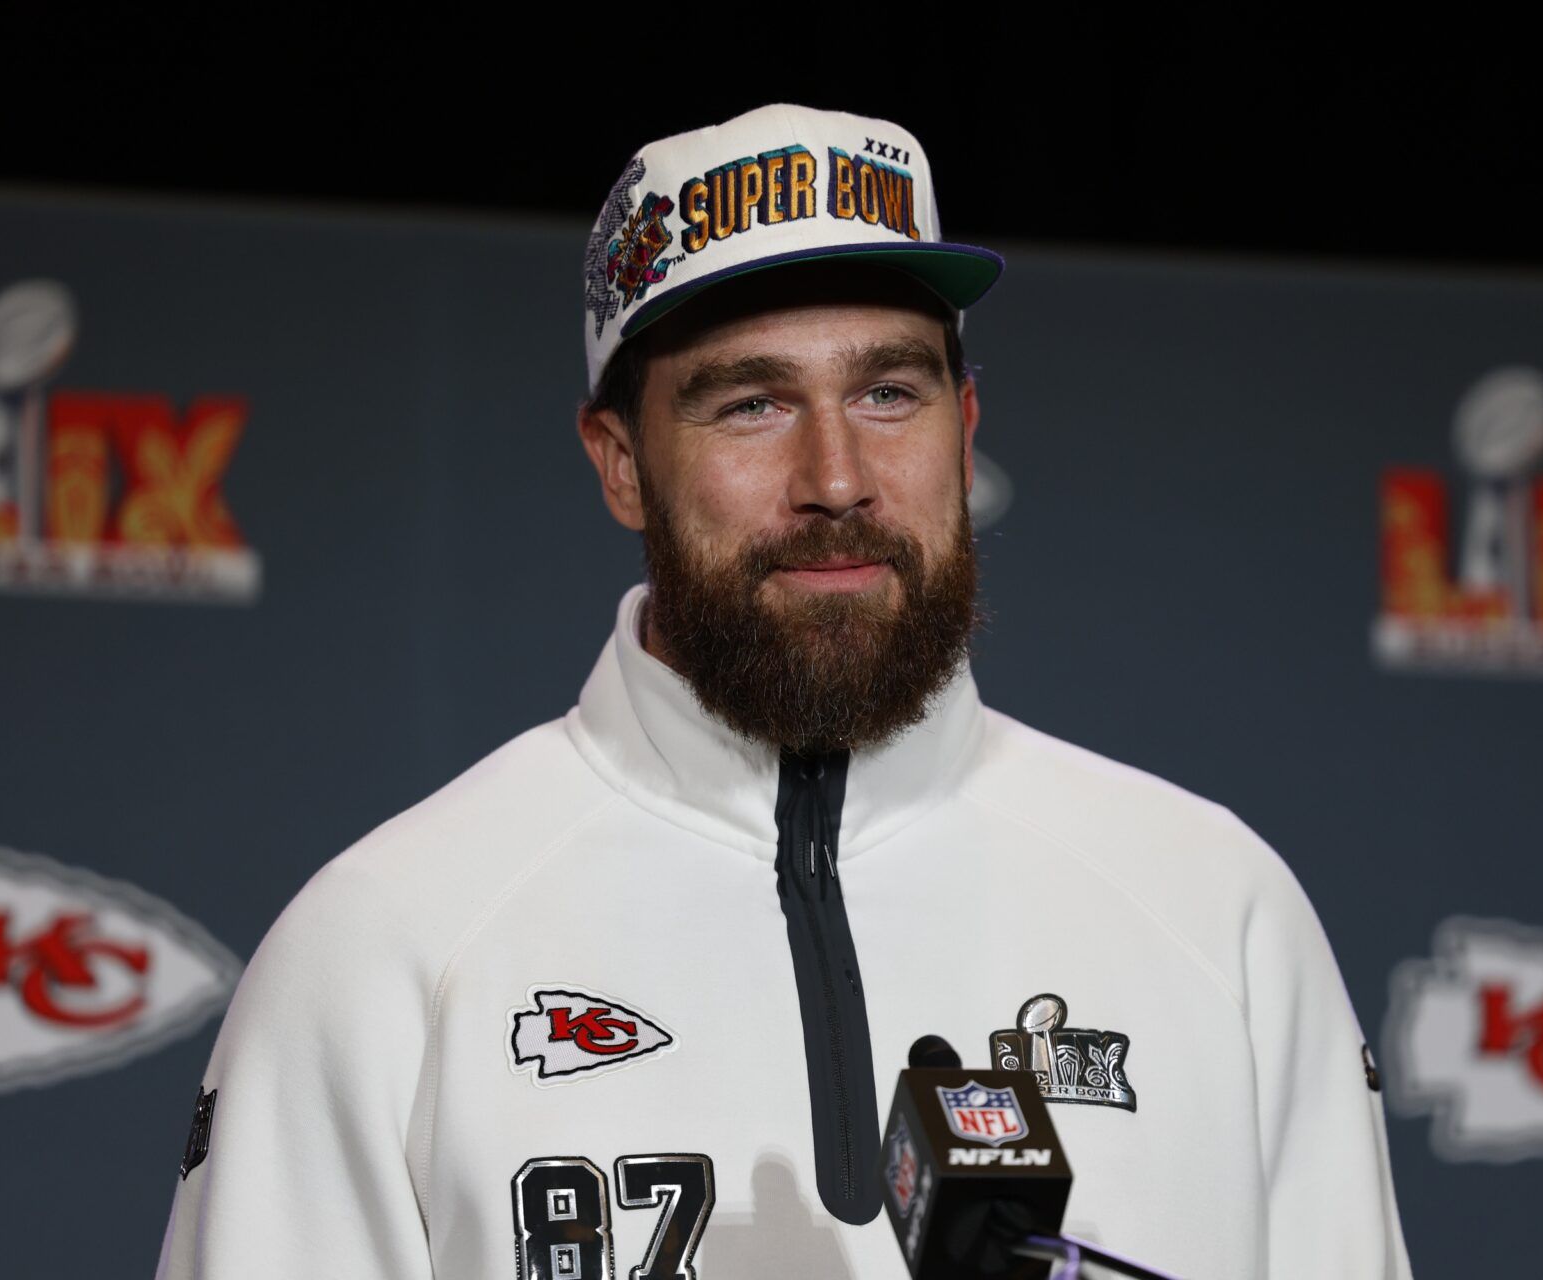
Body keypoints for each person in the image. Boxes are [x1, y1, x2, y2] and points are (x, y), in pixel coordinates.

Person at [155, 102, 1411, 1280]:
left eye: (888, 391)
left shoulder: (1216, 907)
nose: (837, 475)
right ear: (621, 464)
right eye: (751, 402)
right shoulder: (386, 945)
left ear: (965, 429)